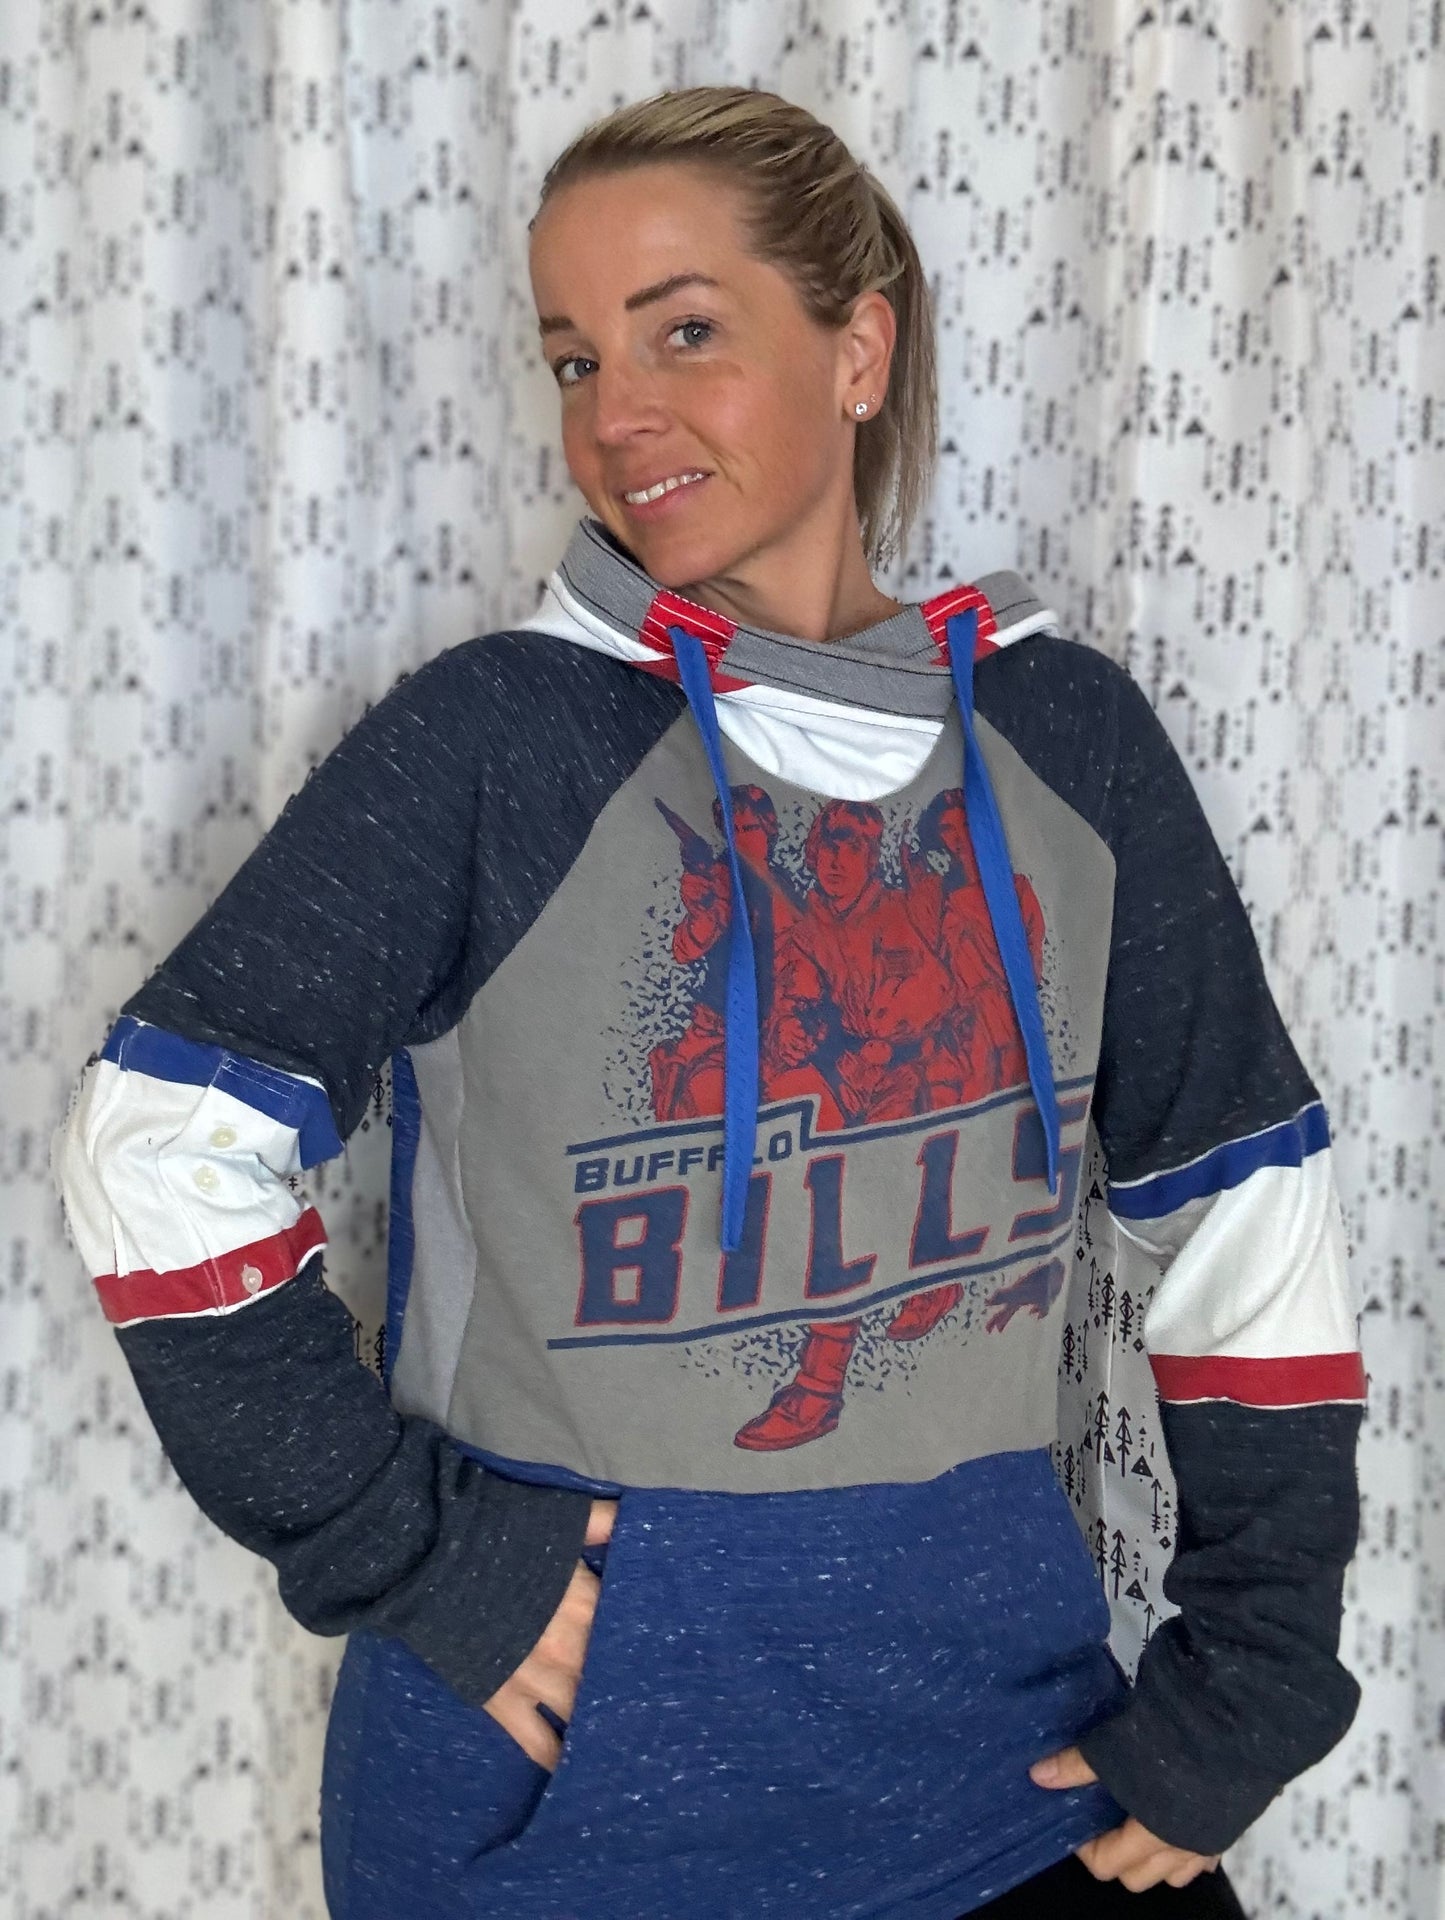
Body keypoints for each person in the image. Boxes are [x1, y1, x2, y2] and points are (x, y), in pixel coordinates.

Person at [51, 85, 1366, 1920]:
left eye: (683, 331)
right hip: (557, 1814)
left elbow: (1244, 1206)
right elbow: (155, 1145)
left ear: (857, 349)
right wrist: (409, 1550)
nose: (615, 416)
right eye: (574, 359)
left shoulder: (1066, 743)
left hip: (1010, 1778)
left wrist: (1258, 1672)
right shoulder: (496, 739)